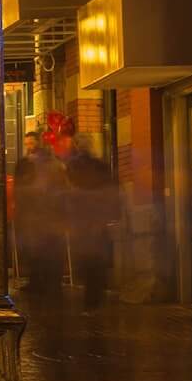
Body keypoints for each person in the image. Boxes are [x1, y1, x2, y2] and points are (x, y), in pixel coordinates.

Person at [64, 138, 121, 312]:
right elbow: (112, 191)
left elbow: (69, 193)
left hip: (85, 220)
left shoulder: (74, 167)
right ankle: (95, 297)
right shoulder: (99, 166)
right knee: (96, 260)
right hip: (95, 220)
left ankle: (92, 299)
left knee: (89, 259)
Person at [14, 131, 68, 301]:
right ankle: (44, 283)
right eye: (27, 143)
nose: (29, 147)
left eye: (31, 143)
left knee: (43, 249)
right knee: (41, 249)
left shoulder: (40, 164)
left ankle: (45, 283)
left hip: (43, 214)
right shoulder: (43, 163)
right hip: (41, 214)